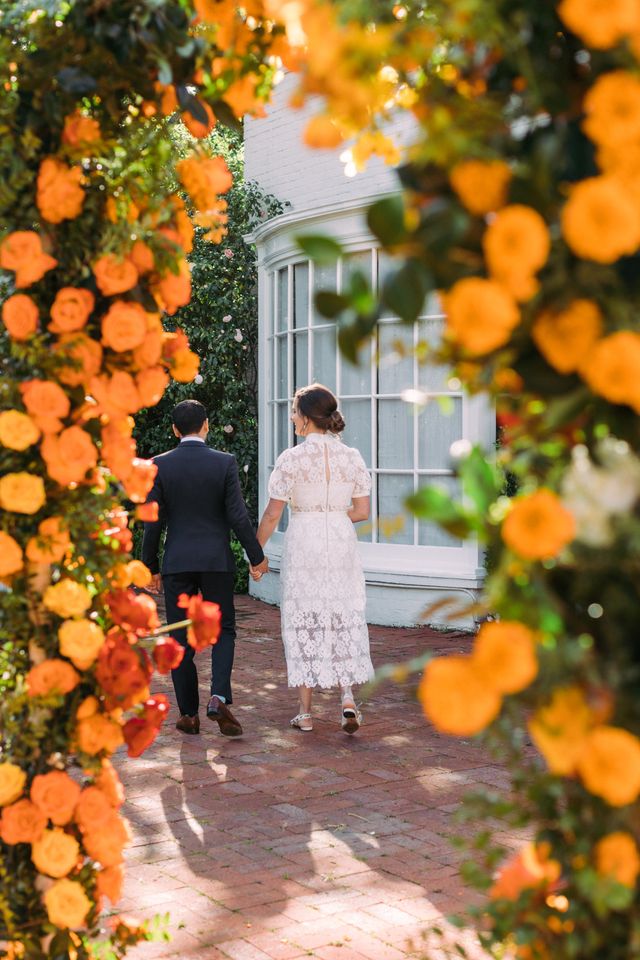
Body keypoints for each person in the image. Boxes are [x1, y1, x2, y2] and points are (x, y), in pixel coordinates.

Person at [252, 383, 374, 734]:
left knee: (303, 617)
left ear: (306, 418)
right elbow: (362, 511)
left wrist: (255, 554)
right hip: (340, 538)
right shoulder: (352, 457)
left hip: (304, 539)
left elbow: (272, 515)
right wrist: (332, 517)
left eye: (294, 412)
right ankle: (347, 698)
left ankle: (305, 713)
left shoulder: (291, 459)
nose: (292, 418)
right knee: (342, 613)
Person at [142, 399, 268, 737]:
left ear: (174, 430)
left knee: (180, 636)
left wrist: (149, 567)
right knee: (224, 629)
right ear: (207, 425)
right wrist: (256, 557)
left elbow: (152, 522)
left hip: (178, 562)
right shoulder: (224, 462)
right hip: (215, 561)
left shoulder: (158, 465)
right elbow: (237, 516)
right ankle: (218, 697)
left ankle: (188, 715)